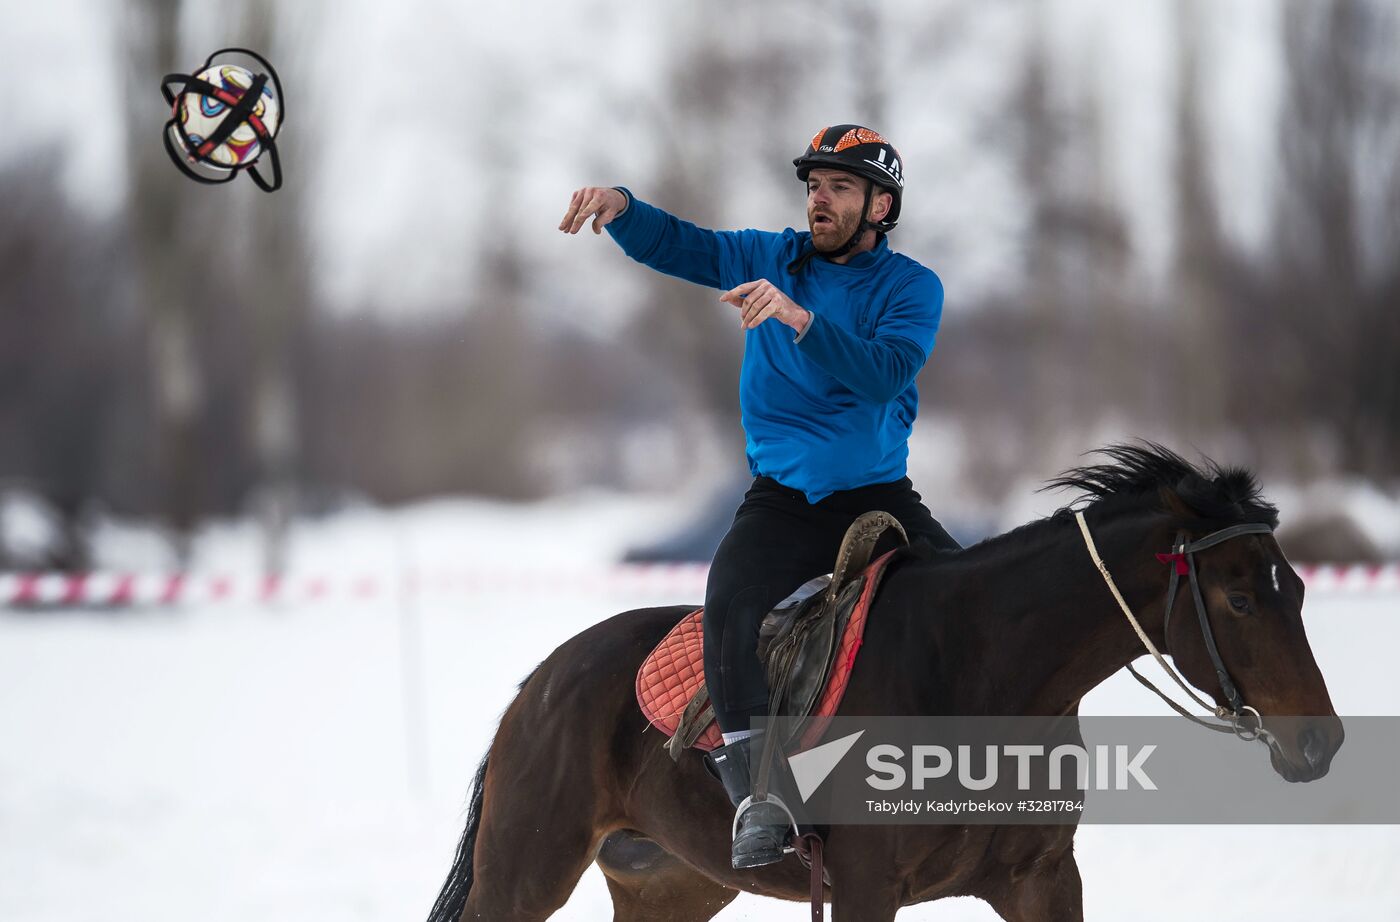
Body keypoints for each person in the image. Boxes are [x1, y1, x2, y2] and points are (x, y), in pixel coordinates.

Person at [560, 124, 961, 869]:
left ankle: (994, 778)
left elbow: (882, 374)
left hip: (880, 498)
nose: (819, 199)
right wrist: (622, 207)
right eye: (813, 186)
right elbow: (688, 246)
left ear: (881, 206)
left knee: (970, 605)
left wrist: (799, 318)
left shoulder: (911, 287)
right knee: (731, 602)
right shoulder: (773, 255)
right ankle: (762, 797)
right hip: (782, 501)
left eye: (839, 187)